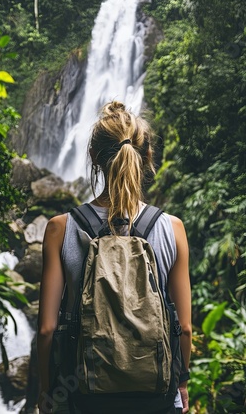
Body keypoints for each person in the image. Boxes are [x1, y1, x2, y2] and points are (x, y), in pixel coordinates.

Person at [37, 101, 192, 414]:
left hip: (82, 395)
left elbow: (47, 330)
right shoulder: (173, 229)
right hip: (155, 396)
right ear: (147, 155)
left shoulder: (59, 229)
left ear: (94, 157)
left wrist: (46, 389)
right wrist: (182, 383)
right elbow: (185, 327)